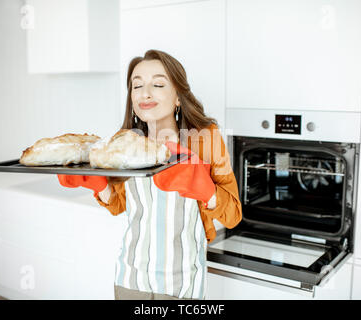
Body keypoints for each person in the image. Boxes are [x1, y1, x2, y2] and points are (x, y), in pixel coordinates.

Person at [58, 49, 242, 300]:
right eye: (137, 86)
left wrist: (207, 191)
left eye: (157, 84)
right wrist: (99, 185)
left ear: (178, 96)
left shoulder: (205, 140)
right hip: (130, 276)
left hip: (183, 280)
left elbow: (233, 215)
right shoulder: (124, 143)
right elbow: (119, 204)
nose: (145, 93)